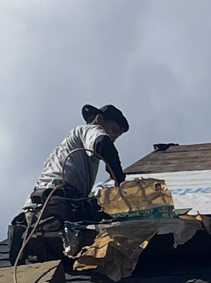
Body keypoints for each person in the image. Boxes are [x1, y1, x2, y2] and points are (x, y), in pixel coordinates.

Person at [7, 103, 131, 263]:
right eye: (114, 130)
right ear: (99, 119)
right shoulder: (89, 130)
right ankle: (44, 227)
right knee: (100, 212)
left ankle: (26, 232)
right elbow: (103, 144)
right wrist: (119, 178)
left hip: (37, 205)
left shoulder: (68, 145)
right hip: (59, 201)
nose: (113, 138)